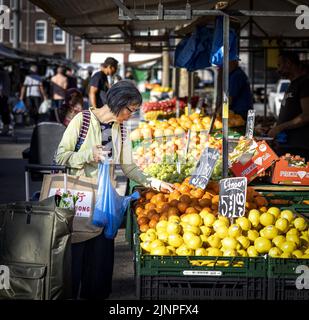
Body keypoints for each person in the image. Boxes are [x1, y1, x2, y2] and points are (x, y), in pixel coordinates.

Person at [55, 80, 174, 299]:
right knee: (72, 270)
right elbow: (61, 156)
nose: (131, 115)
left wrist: (155, 182)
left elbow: (129, 167)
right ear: (119, 103)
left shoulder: (121, 130)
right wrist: (89, 155)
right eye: (130, 110)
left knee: (99, 275)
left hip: (104, 204)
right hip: (77, 203)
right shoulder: (82, 121)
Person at [268, 51, 309, 160]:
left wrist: (279, 127)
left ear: (289, 64)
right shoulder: (293, 84)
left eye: (279, 65)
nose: (278, 70)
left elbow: (306, 116)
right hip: (287, 144)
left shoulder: (305, 83)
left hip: (299, 147)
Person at [0, 67, 11, 135]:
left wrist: (1, 92)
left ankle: (5, 128)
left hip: (2, 95)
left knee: (4, 111)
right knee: (5, 111)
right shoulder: (6, 74)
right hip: (5, 95)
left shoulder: (2, 74)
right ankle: (6, 128)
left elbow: (1, 85)